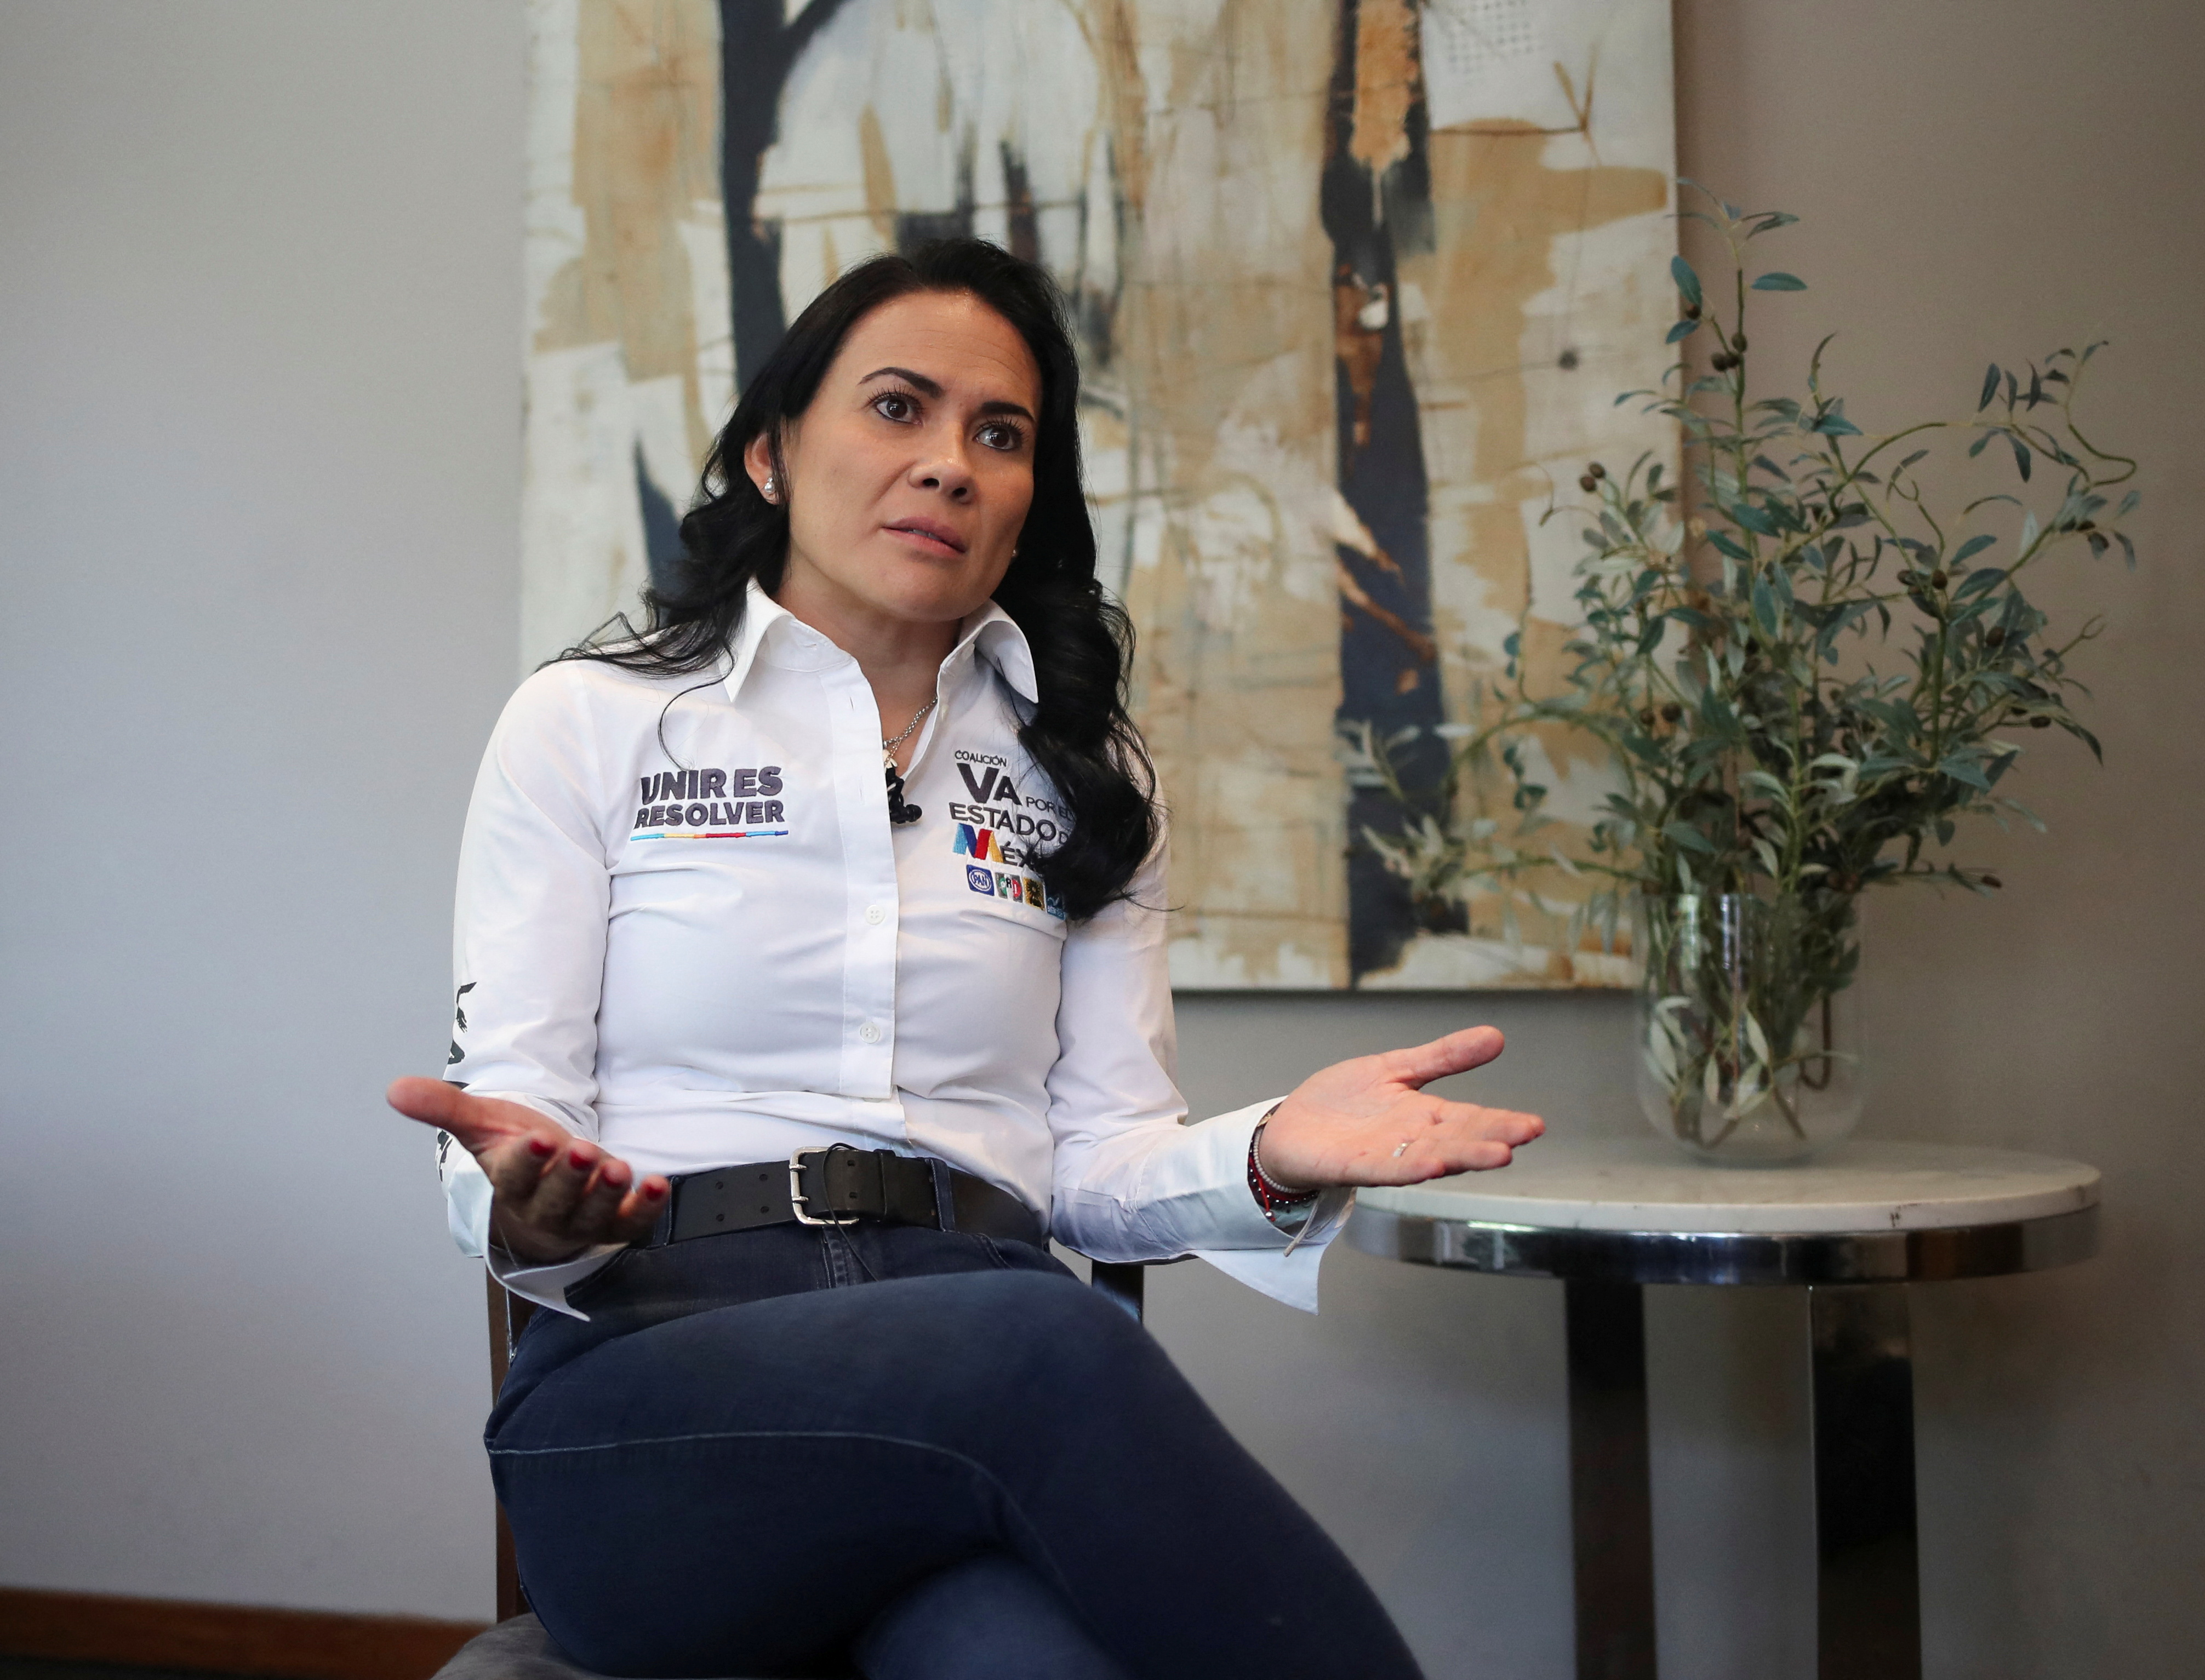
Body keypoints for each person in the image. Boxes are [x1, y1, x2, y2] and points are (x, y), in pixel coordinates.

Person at [389, 238, 1545, 1680]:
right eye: (896, 407)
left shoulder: (1087, 770)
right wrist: (532, 1210)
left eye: (999, 435)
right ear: (769, 451)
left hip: (966, 1386)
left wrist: (1273, 1151)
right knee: (1048, 1341)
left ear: (1024, 506)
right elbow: (507, 1117)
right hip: (659, 1402)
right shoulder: (590, 723)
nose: (949, 462)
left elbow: (1097, 1166)